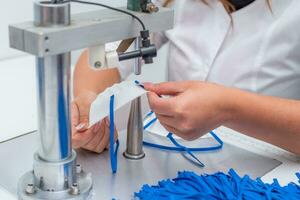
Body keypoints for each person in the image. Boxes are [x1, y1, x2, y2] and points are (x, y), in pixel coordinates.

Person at [71, 0, 300, 155]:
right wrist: (90, 100)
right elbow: (103, 59)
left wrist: (229, 108)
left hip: (270, 171)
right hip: (175, 159)